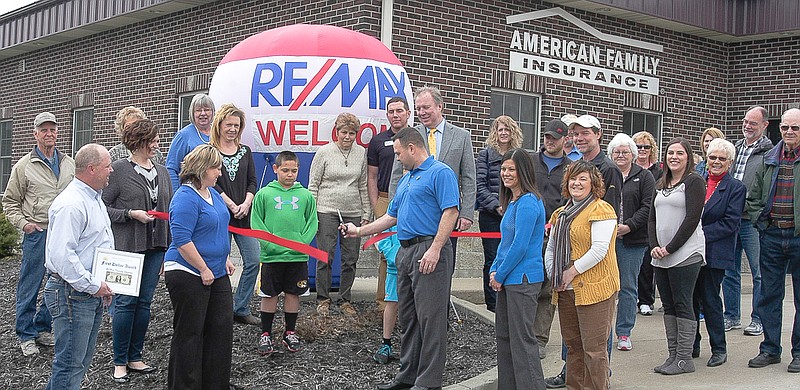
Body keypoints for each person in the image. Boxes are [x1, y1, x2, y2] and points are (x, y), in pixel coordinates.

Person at [342, 126, 459, 390]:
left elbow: (450, 212)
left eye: (397, 153)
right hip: (405, 252)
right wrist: (359, 231)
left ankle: (429, 382)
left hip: (428, 250)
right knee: (409, 318)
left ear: (412, 148)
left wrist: (436, 248)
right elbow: (390, 217)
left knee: (431, 320)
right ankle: (408, 377)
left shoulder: (440, 173)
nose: (396, 158)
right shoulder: (406, 180)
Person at [546, 114, 622, 388]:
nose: (577, 184)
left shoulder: (602, 209)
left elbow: (600, 250)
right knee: (573, 349)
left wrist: (570, 272)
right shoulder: (561, 213)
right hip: (565, 289)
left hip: (594, 289)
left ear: (593, 184)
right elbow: (552, 247)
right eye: (572, 180)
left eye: (582, 180)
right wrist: (555, 274)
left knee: (594, 351)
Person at [102, 119, 172, 382]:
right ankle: (119, 361)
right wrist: (130, 214)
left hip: (156, 247)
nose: (157, 143)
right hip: (128, 248)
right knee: (125, 302)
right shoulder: (119, 171)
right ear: (140, 141)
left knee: (144, 303)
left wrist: (170, 248)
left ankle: (135, 357)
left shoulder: (163, 173)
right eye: (153, 139)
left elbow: (169, 211)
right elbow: (102, 206)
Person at [2, 112, 75, 356]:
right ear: (35, 134)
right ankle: (25, 334)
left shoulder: (68, 163)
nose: (49, 134)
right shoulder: (24, 166)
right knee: (30, 284)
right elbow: (10, 202)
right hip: (37, 233)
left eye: (52, 129)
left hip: (62, 232)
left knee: (56, 282)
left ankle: (43, 328)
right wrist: (24, 225)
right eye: (44, 130)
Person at [43, 143, 114, 390]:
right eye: (107, 166)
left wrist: (103, 284)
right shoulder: (72, 204)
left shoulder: (93, 198)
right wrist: (94, 285)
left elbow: (96, 246)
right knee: (70, 364)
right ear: (92, 169)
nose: (111, 170)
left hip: (86, 292)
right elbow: (63, 257)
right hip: (72, 293)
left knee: (79, 362)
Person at [164, 144, 235, 389]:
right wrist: (203, 268)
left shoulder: (213, 194)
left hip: (217, 271)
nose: (219, 173)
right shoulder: (185, 197)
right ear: (202, 168)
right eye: (216, 168)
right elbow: (182, 239)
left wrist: (224, 257)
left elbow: (218, 227)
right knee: (190, 333)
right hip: (188, 272)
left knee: (220, 330)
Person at [389, 86, 477, 266]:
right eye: (418, 108)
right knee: (413, 265)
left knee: (443, 264)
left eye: (426, 107)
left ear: (439, 106)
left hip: (448, 211)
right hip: (416, 213)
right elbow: (396, 176)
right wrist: (395, 209)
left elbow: (469, 177)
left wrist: (467, 213)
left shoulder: (462, 136)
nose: (421, 112)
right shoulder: (409, 135)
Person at [745, 108, 800, 372]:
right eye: (785, 128)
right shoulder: (770, 158)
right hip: (772, 235)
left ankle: (799, 352)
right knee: (769, 296)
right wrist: (760, 222)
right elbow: (753, 197)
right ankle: (769, 349)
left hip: (798, 237)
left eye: (795, 128)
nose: (789, 132)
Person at [251, 151, 318, 355]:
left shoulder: (306, 195)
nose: (290, 174)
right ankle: (265, 334)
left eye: (294, 171)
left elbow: (312, 222)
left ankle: (290, 332)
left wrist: (302, 243)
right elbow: (256, 222)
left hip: (297, 257)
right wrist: (269, 245)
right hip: (272, 257)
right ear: (275, 169)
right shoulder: (264, 194)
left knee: (293, 293)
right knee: (269, 293)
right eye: (285, 170)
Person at [489, 149, 546, 390]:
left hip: (522, 280)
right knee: (505, 338)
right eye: (503, 169)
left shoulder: (529, 203)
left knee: (522, 342)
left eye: (511, 169)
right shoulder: (512, 202)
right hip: (506, 279)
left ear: (523, 171)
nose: (506, 173)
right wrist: (494, 270)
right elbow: (504, 243)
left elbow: (520, 245)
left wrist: (499, 274)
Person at [649, 137, 706, 375]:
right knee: (668, 304)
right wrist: (654, 245)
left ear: (688, 157)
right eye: (670, 152)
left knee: (683, 303)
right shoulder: (660, 183)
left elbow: (692, 219)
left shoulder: (694, 182)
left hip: (685, 253)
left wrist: (670, 247)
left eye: (680, 153)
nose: (674, 157)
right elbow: (652, 217)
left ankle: (684, 358)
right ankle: (673, 355)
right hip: (660, 255)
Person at [309, 112, 370, 316]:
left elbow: (362, 184)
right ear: (336, 132)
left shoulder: (361, 153)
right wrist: (312, 211)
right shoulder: (324, 152)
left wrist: (366, 211)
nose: (347, 137)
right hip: (326, 210)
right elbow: (313, 185)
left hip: (352, 211)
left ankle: (345, 299)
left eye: (352, 133)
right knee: (325, 256)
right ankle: (323, 299)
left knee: (350, 258)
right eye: (344, 132)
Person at [694, 138, 745, 368]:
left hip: (714, 253)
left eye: (721, 159)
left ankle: (719, 349)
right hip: (690, 252)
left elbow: (730, 223)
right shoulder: (697, 182)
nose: (716, 162)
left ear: (730, 162)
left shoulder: (736, 188)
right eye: (712, 157)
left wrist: (698, 233)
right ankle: (691, 345)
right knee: (690, 300)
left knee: (710, 299)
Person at [723, 106, 773, 336]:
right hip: (731, 219)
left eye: (753, 123)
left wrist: (759, 212)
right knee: (728, 271)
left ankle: (758, 319)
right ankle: (731, 316)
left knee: (759, 272)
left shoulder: (769, 153)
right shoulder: (734, 149)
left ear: (764, 125)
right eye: (745, 121)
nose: (747, 126)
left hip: (752, 222)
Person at [209, 103, 261, 326]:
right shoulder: (210, 152)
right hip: (219, 216)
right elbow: (211, 185)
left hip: (244, 216)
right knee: (218, 262)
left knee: (253, 260)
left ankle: (240, 307)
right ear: (219, 125)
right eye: (228, 124)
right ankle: (215, 308)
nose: (232, 129)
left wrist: (247, 202)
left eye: (236, 125)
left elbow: (252, 181)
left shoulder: (245, 152)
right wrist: (230, 204)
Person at [608, 133, 655, 352]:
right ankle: (603, 331)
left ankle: (624, 332)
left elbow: (648, 206)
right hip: (606, 239)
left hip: (633, 240)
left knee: (627, 286)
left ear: (633, 155)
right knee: (605, 286)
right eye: (616, 152)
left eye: (625, 152)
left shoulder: (644, 176)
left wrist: (629, 226)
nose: (620, 155)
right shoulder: (606, 174)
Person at [531, 118, 570, 359]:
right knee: (526, 286)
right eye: (546, 137)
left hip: (554, 234)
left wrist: (556, 222)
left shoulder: (570, 167)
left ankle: (539, 339)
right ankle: (522, 334)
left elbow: (570, 199)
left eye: (554, 138)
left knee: (547, 290)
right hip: (529, 233)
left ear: (565, 140)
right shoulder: (531, 161)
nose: (549, 141)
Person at [475, 115, 523, 312]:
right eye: (500, 129)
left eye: (507, 129)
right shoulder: (485, 155)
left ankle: (508, 298)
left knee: (511, 255)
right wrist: (497, 205)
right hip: (490, 215)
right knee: (492, 258)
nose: (503, 133)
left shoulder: (518, 155)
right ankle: (492, 304)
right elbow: (480, 185)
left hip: (513, 211)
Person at [368, 96, 411, 311]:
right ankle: (384, 304)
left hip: (412, 200)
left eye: (399, 111)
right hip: (386, 199)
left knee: (411, 249)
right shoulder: (378, 141)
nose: (395, 115)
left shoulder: (417, 137)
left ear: (408, 113)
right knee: (387, 254)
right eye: (391, 111)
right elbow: (371, 176)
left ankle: (406, 304)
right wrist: (377, 204)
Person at [632, 130, 663, 317]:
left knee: (646, 265)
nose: (642, 150)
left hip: (651, 221)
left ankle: (646, 300)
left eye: (646, 146)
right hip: (631, 220)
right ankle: (632, 297)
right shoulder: (627, 168)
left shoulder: (658, 171)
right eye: (638, 147)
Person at [165, 93, 215, 192]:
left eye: (207, 109)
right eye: (198, 110)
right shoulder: (183, 136)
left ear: (213, 112)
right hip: (191, 192)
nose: (203, 113)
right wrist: (176, 194)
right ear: (192, 113)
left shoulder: (218, 133)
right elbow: (171, 169)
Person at [373, 226, 400, 364]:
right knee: (392, 303)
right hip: (395, 268)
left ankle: (414, 347)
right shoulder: (394, 210)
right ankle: (386, 344)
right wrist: (393, 255)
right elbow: (382, 237)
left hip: (416, 266)